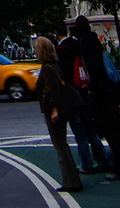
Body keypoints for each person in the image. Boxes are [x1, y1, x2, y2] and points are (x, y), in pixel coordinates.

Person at [72, 15, 120, 181]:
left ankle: (119, 169)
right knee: (112, 130)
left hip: (100, 92)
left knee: (109, 130)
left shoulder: (86, 45)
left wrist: (91, 88)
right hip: (107, 90)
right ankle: (119, 167)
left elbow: (94, 71)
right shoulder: (95, 41)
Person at [54, 21, 110, 174]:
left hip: (72, 94)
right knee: (91, 130)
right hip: (85, 90)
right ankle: (103, 160)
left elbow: (63, 73)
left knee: (80, 133)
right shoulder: (78, 44)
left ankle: (86, 164)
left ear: (56, 32)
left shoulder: (61, 49)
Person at [34, 35, 83, 193]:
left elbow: (54, 90)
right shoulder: (54, 65)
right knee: (62, 144)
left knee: (60, 145)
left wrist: (54, 109)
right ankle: (72, 179)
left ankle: (71, 181)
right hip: (58, 109)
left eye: (36, 48)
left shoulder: (47, 68)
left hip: (53, 110)